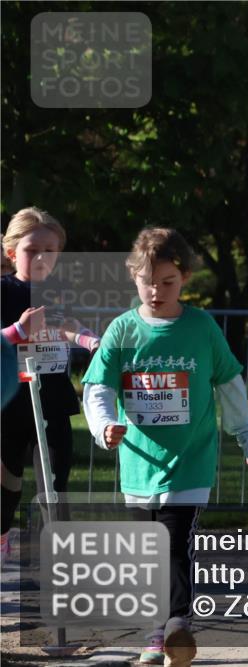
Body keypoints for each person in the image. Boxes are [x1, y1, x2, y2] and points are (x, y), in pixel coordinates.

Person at [81, 227, 248, 667]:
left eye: (167, 281)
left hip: (190, 461)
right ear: (133, 277)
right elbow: (97, 387)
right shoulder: (122, 330)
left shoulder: (202, 327)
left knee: (174, 542)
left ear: (184, 278)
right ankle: (154, 631)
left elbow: (230, 385)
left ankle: (177, 625)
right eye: (147, 281)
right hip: (138, 463)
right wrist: (105, 425)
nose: (156, 290)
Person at [1, 206, 100, 560]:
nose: (42, 258)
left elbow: (66, 324)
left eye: (51, 251)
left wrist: (89, 340)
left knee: (55, 484)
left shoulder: (59, 290)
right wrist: (17, 332)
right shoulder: (4, 290)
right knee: (7, 487)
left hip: (53, 401)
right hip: (10, 405)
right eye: (32, 250)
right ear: (12, 252)